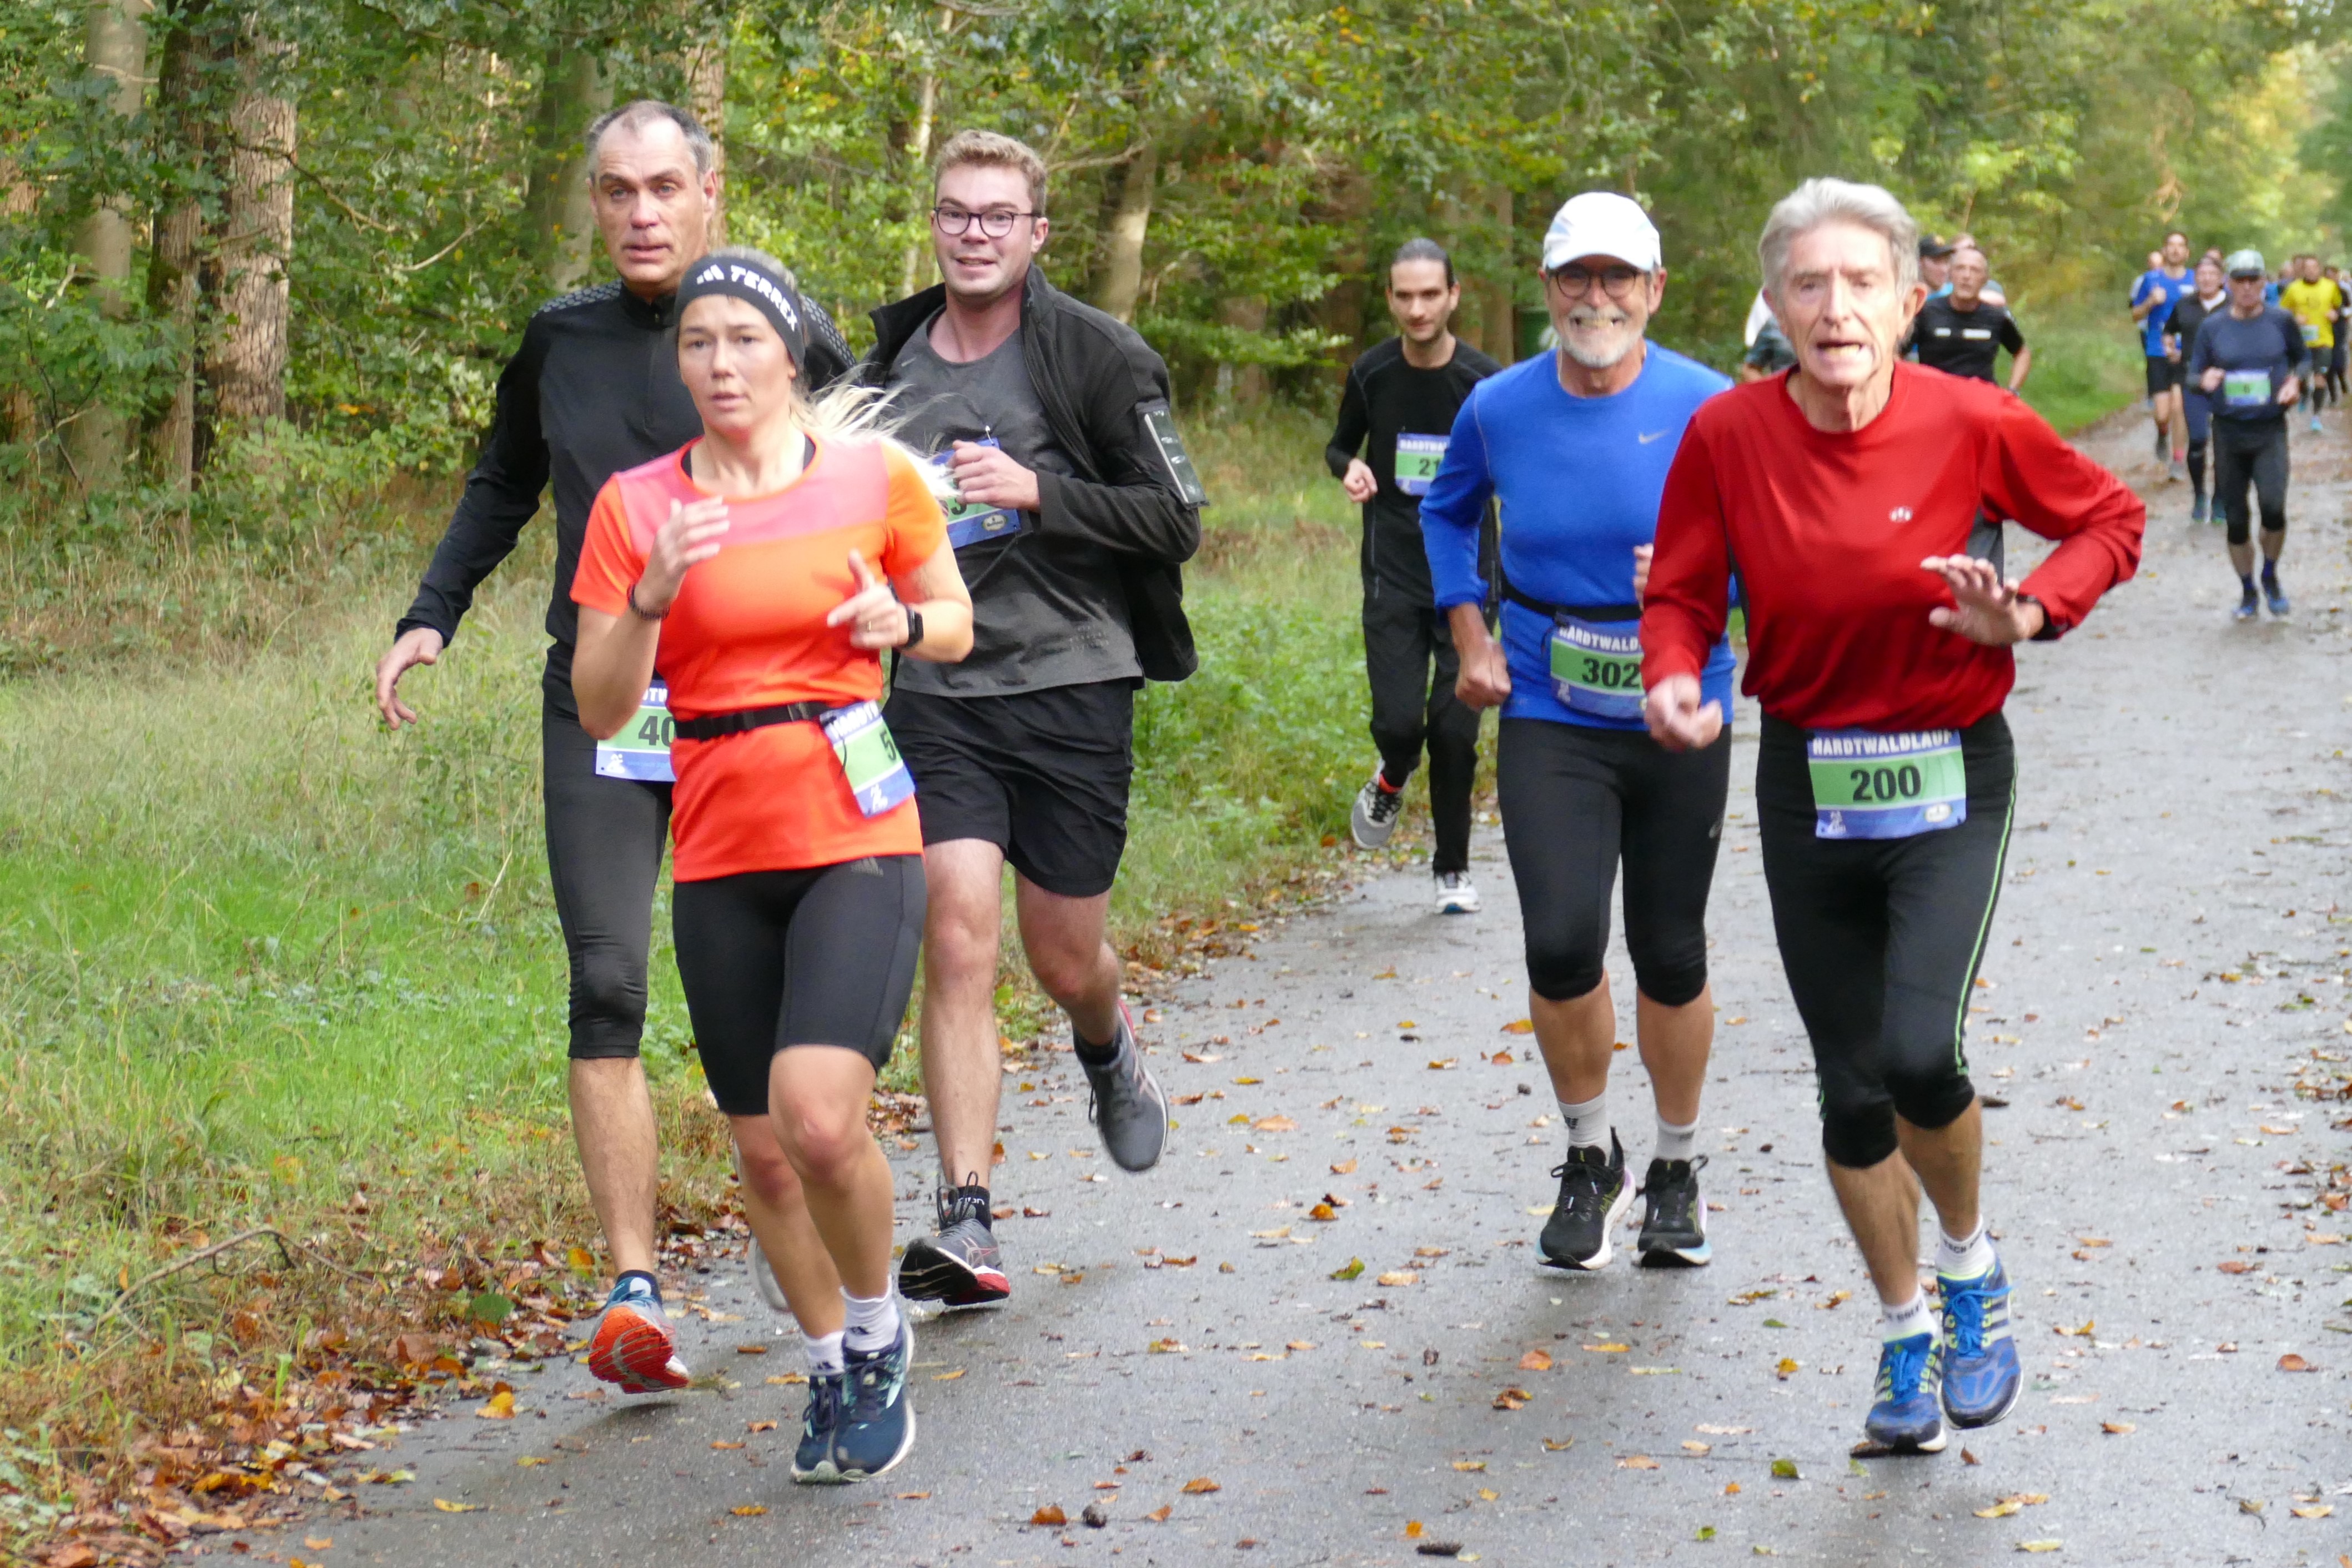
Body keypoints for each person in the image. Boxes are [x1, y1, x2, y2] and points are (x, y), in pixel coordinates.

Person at [1642, 178, 2143, 1458]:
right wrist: (1673, 675)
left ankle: (1971, 1268)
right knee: (1853, 1091)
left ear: (1910, 302)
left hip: (1948, 773)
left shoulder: (1972, 419)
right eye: (1808, 283)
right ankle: (1904, 1327)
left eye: (1862, 282)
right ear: (1776, 303)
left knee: (1921, 1053)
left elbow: (2109, 517)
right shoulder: (1727, 434)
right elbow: (1683, 590)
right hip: (1808, 781)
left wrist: (2029, 611)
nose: (1836, 307)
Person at [372, 100, 855, 1394]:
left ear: (711, 190)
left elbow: (866, 476)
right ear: (593, 203)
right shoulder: (562, 339)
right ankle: (635, 1290)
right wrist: (430, 615)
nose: (640, 212)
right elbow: (501, 482)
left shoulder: (776, 325)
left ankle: (794, 1206)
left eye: (662, 187)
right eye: (615, 191)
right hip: (605, 694)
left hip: (763, 702)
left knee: (766, 997)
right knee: (606, 980)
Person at [571, 247, 969, 1481]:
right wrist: (648, 598)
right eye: (698, 342)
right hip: (719, 843)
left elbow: (954, 620)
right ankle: (828, 1360)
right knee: (760, 1151)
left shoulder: (874, 477)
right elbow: (599, 708)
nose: (721, 363)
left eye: (744, 338)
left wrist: (903, 621)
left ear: (790, 355)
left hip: (854, 828)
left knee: (818, 1113)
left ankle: (880, 1329)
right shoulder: (636, 505)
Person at [865, 130, 1202, 1309]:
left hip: (1072, 682)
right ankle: (966, 1210)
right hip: (939, 688)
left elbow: (1177, 517)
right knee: (957, 933)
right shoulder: (886, 363)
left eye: (998, 216)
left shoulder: (1098, 353)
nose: (974, 233)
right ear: (933, 223)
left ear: (1037, 232)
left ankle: (1105, 1039)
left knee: (1063, 954)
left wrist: (1039, 493)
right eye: (956, 212)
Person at [1420, 192, 1736, 1272]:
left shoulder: (1712, 405)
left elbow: (1775, 542)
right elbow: (1444, 511)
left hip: (1678, 698)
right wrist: (1470, 632)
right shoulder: (1498, 406)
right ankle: (1591, 1154)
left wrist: (1700, 581)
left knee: (1670, 947)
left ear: (1654, 290)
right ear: (1548, 288)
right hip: (1550, 700)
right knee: (1560, 942)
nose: (1597, 297)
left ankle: (1677, 1166)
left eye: (1618, 277)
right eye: (1576, 277)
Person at [1324, 239, 1501, 912]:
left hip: (1468, 577)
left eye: (1431, 294)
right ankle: (1393, 775)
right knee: (1400, 723)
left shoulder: (1485, 383)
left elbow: (1517, 469)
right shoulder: (1372, 373)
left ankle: (1452, 869)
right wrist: (1349, 467)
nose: (1418, 308)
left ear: (1454, 295)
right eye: (1405, 296)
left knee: (1455, 731)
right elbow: (1340, 444)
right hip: (1393, 571)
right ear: (1390, 299)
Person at [2192, 249, 2309, 620]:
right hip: (2228, 432)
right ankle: (2247, 590)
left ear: (2264, 282)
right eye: (2239, 280)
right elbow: (2193, 374)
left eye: (2253, 279)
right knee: (2237, 519)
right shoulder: (2213, 327)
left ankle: (2270, 575)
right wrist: (2203, 380)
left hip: (2269, 430)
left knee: (2273, 508)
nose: (2246, 287)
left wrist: (2296, 381)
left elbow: (2304, 359)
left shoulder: (2281, 321)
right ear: (2228, 283)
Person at [2162, 254, 2228, 522]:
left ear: (2222, 278)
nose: (2207, 279)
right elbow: (2169, 330)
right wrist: (2170, 347)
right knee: (2198, 438)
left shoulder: (2233, 305)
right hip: (2194, 379)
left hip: (2227, 381)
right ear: (2195, 278)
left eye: (2212, 274)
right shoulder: (2185, 304)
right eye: (2202, 274)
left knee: (2224, 442)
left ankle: (2220, 498)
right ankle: (2200, 494)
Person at [1911, 244, 2030, 391]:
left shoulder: (1996, 317)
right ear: (1950, 275)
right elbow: (1896, 353)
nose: (1966, 276)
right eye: (1960, 268)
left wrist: (2012, 391)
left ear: (1985, 279)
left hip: (1980, 399)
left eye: (1975, 270)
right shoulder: (1926, 313)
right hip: (1934, 397)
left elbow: (2022, 353)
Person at [2130, 230, 2194, 471]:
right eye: (2171, 245)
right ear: (2164, 250)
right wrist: (2150, 302)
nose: (2176, 250)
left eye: (2181, 246)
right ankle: (2162, 432)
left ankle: (2178, 460)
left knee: (2180, 407)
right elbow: (2135, 315)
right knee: (2163, 414)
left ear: (2187, 253)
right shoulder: (2150, 280)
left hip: (2186, 353)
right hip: (2158, 352)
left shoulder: (2196, 280)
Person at [2279, 254, 2343, 433]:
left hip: (2324, 340)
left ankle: (2316, 416)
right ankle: (2305, 392)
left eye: (2315, 267)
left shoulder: (2330, 287)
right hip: (2302, 342)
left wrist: (2335, 315)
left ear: (2319, 269)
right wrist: (2294, 319)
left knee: (2320, 378)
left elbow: (2338, 306)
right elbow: (2282, 312)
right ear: (2303, 270)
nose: (2311, 271)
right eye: (2307, 268)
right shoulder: (2294, 288)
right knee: (2302, 378)